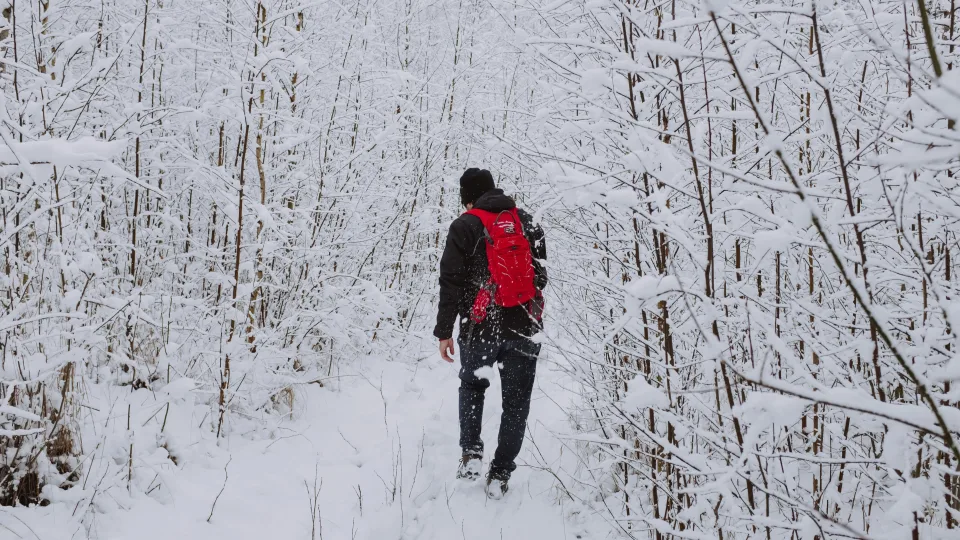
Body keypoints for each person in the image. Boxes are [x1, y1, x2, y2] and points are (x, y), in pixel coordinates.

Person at [434, 168, 547, 499]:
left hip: (481, 326)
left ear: (467, 197)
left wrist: (444, 331)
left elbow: (450, 282)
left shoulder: (464, 225)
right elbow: (540, 276)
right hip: (525, 326)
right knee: (516, 401)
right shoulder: (526, 220)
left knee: (472, 385)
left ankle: (471, 456)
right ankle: (500, 475)